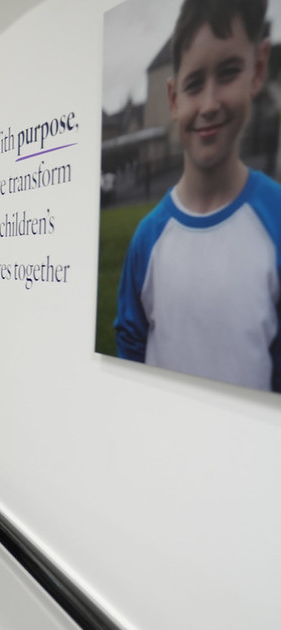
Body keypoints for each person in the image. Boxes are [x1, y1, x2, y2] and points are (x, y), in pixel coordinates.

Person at [115, 0, 281, 392]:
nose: (208, 104)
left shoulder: (276, 217)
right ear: (173, 99)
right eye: (193, 85)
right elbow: (130, 346)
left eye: (228, 73)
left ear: (257, 70)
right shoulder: (147, 238)